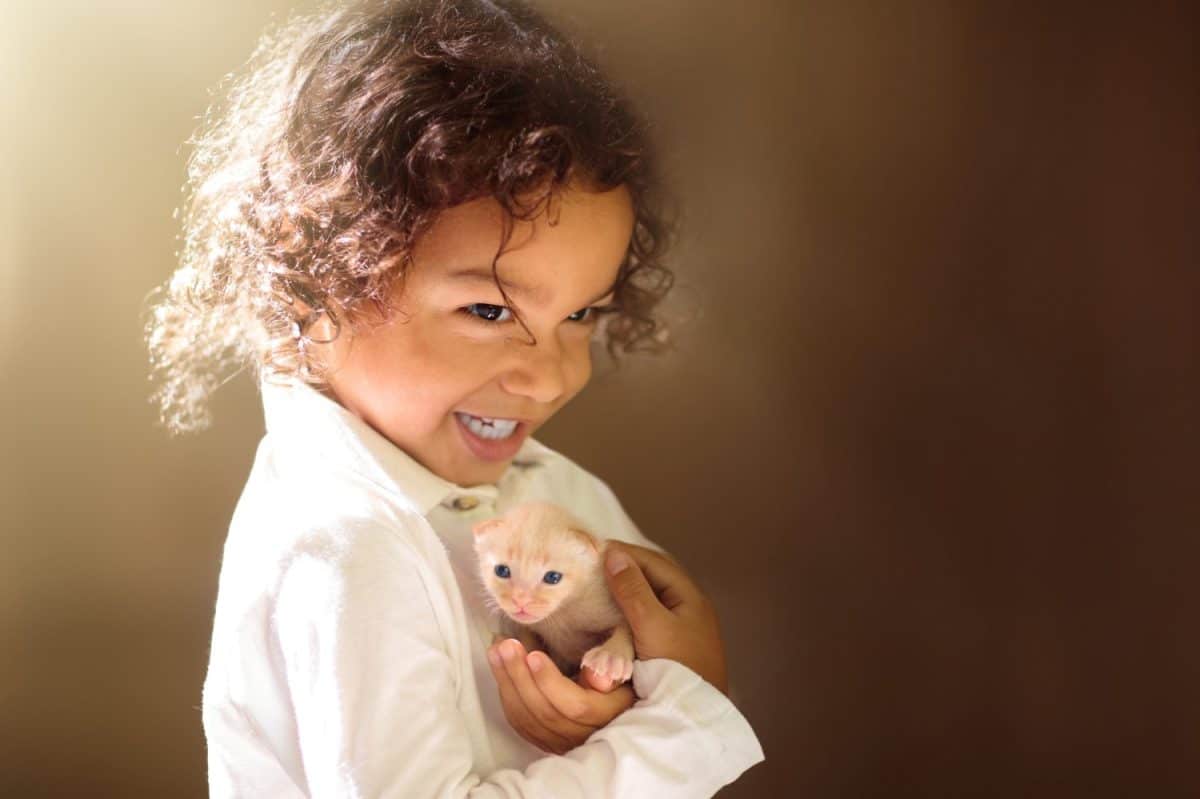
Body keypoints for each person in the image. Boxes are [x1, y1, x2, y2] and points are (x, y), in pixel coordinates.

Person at [144, 0, 765, 795]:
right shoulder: (345, 544)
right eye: (488, 310)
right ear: (320, 283)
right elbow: (689, 731)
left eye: (579, 315)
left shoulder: (556, 493)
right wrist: (678, 721)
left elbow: (683, 706)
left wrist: (646, 698)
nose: (549, 377)